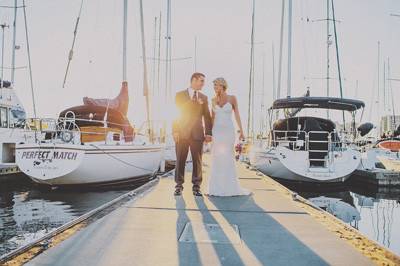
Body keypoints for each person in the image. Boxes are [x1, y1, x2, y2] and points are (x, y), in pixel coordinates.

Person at [207, 77, 250, 196]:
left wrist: (241, 131)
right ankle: (216, 188)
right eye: (214, 86)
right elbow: (212, 118)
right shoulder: (213, 100)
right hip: (217, 131)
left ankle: (229, 187)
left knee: (227, 157)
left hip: (228, 131)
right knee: (217, 158)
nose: (215, 88)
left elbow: (237, 115)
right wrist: (209, 133)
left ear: (222, 85)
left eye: (216, 85)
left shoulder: (232, 98)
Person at [172, 73, 212, 196]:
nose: (203, 84)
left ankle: (196, 187)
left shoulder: (204, 98)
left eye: (204, 81)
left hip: (198, 133)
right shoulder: (179, 95)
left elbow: (207, 116)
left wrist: (208, 133)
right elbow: (175, 113)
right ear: (193, 80)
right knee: (180, 160)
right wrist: (175, 131)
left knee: (198, 161)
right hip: (182, 133)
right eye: (201, 81)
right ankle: (178, 186)